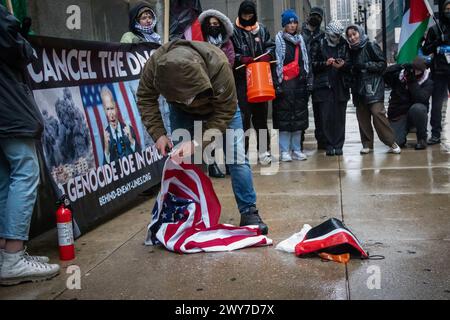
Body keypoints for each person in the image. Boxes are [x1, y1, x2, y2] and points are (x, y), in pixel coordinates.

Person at [136, 39, 269, 235]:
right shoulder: (155, 66)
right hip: (180, 112)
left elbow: (225, 111)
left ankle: (249, 210)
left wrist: (198, 142)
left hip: (221, 109)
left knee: (237, 158)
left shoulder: (219, 65)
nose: (190, 103)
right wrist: (159, 134)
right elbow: (145, 98)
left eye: (190, 98)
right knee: (186, 161)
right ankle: (193, 209)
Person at [0, 4, 60, 286]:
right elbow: (19, 51)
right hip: (9, 107)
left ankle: (7, 254)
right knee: (25, 172)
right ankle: (13, 258)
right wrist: (20, 34)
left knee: (5, 179)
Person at [346, 24, 401, 155]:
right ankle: (367, 144)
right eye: (349, 36)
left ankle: (391, 142)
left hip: (374, 87)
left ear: (359, 32)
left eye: (354, 34)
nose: (353, 38)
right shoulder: (350, 50)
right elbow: (351, 68)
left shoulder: (370, 44)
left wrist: (366, 65)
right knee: (362, 118)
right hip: (358, 89)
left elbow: (382, 64)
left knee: (378, 114)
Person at [232, 0, 275, 165]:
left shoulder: (262, 29)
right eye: (245, 15)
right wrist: (240, 59)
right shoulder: (234, 31)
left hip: (260, 79)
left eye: (250, 15)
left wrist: (268, 55)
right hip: (243, 80)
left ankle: (264, 151)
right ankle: (242, 152)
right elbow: (230, 52)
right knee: (244, 118)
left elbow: (271, 47)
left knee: (261, 117)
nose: (247, 18)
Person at [199, 9, 235, 178]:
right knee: (209, 130)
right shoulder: (200, 42)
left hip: (224, 91)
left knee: (226, 128)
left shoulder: (227, 43)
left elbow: (230, 62)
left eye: (216, 24)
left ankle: (229, 163)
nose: (213, 27)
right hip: (205, 92)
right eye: (210, 24)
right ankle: (212, 163)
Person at [310, 20, 351, 156]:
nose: (337, 38)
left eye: (339, 35)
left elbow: (350, 63)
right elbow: (312, 64)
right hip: (323, 85)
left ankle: (338, 144)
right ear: (328, 33)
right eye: (335, 35)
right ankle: (328, 144)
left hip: (340, 84)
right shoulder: (318, 42)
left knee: (340, 117)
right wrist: (325, 64)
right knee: (325, 116)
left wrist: (343, 65)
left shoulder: (344, 44)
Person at [273, 9, 309, 162]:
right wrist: (277, 85)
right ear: (284, 25)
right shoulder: (278, 41)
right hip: (284, 85)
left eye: (295, 22)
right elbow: (274, 65)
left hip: (299, 85)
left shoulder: (301, 41)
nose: (292, 25)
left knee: (298, 121)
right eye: (289, 23)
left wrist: (307, 79)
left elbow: (306, 62)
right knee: (285, 121)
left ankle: (297, 149)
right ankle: (284, 151)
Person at [385, 58, 433, 150]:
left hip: (414, 113)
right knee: (396, 142)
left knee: (418, 109)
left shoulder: (427, 81)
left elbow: (421, 98)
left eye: (418, 71)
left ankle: (422, 138)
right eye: (413, 69)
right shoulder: (399, 77)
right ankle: (404, 130)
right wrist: (400, 66)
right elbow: (385, 73)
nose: (415, 72)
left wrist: (412, 82)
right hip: (399, 113)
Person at [421, 0, 450, 145]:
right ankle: (435, 134)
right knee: (437, 105)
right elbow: (425, 49)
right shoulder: (435, 29)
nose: (449, 11)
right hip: (439, 71)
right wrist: (439, 41)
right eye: (447, 9)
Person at [302, 6, 326, 151]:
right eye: (314, 15)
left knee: (320, 112)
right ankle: (299, 142)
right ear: (309, 16)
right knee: (301, 112)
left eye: (318, 16)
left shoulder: (322, 36)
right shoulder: (300, 34)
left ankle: (322, 142)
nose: (315, 18)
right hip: (303, 77)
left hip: (318, 77)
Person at [101, 86, 141, 164]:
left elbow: (140, 155)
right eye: (108, 109)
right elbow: (105, 169)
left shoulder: (129, 129)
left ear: (117, 108)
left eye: (112, 108)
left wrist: (132, 141)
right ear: (105, 111)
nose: (111, 114)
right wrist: (106, 150)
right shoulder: (105, 136)